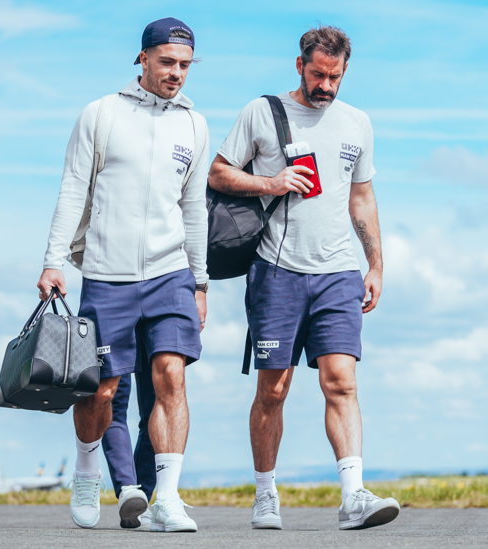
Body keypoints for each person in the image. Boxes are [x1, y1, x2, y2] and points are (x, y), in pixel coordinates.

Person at [208, 25, 399, 531]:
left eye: (335, 76)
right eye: (318, 74)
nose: (326, 86)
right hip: (276, 271)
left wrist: (375, 263)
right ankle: (266, 494)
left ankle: (354, 496)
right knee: (274, 389)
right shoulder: (262, 112)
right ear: (299, 66)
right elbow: (218, 173)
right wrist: (270, 182)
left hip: (337, 271)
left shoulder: (358, 123)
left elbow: (362, 197)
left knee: (341, 381)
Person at [38, 17, 209, 533]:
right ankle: (88, 470)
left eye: (184, 65)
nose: (176, 73)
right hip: (108, 275)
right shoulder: (102, 114)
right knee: (102, 389)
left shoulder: (195, 126)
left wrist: (200, 281)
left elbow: (194, 207)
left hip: (169, 271)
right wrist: (52, 260)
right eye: (167, 63)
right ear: (143, 59)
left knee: (171, 378)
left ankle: (168, 498)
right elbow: (72, 188)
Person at [100, 353, 156, 528]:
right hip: (116, 325)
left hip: (151, 325)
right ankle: (128, 490)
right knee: (112, 402)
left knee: (157, 414)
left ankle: (141, 501)